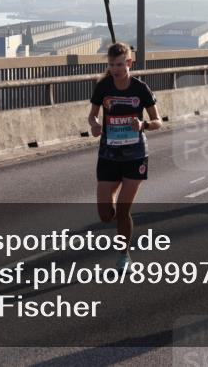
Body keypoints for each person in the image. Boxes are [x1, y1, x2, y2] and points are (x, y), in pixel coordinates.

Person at [88, 42, 161, 271]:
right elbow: (91, 116)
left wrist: (144, 124)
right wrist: (95, 125)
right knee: (104, 215)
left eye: (120, 64)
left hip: (135, 154)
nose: (115, 69)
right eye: (111, 65)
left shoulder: (140, 88)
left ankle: (124, 256)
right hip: (109, 153)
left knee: (122, 211)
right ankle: (114, 194)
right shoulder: (103, 86)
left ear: (129, 63)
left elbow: (159, 121)